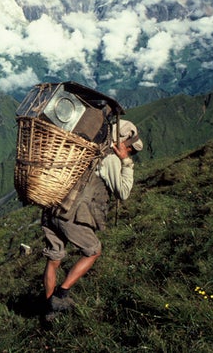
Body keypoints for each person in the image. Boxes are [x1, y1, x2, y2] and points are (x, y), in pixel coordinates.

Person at [41, 119, 143, 321]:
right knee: (93, 250)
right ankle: (61, 294)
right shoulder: (110, 158)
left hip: (51, 207)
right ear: (123, 143)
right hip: (71, 214)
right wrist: (126, 162)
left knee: (54, 258)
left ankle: (48, 308)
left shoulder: (85, 145)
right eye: (131, 149)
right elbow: (123, 192)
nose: (131, 152)